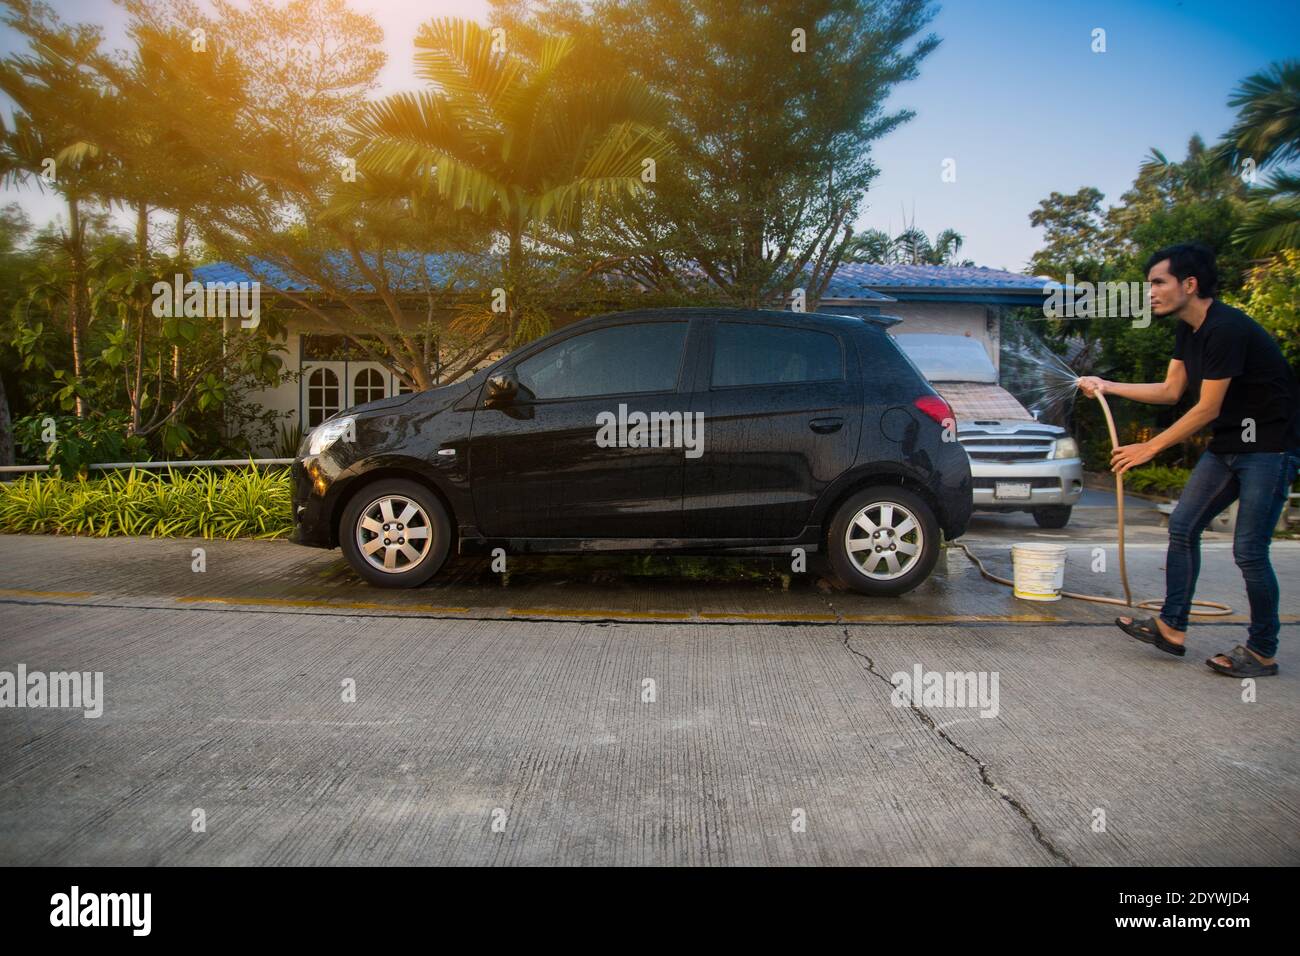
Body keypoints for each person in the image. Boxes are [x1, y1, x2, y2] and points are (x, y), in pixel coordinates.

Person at [1076, 243, 1300, 677]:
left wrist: (1149, 447)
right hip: (1228, 446)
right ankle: (1172, 627)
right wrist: (1108, 385)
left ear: (1190, 284)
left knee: (1250, 551)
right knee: (1182, 528)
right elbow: (1170, 391)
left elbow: (1207, 408)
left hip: (1270, 448)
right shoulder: (1188, 329)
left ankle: (1262, 651)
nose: (1151, 292)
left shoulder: (1227, 328)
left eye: (1159, 282)